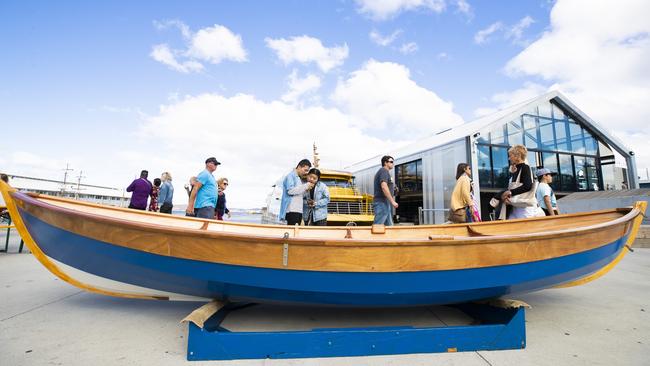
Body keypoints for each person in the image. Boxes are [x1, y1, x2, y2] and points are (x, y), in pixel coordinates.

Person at [499, 145, 544, 219]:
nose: (509, 158)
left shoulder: (525, 168)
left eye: (510, 156)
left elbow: (527, 186)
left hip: (525, 208)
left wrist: (510, 192)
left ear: (517, 156)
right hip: (517, 206)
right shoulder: (517, 169)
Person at [279, 159, 313, 225]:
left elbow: (299, 194)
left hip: (298, 210)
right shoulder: (290, 176)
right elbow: (290, 191)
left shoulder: (298, 178)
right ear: (299, 167)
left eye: (307, 171)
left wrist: (306, 191)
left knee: (295, 231)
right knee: (292, 232)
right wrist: (306, 186)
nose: (306, 172)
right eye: (305, 170)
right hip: (291, 210)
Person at [373, 155, 398, 226]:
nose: (393, 163)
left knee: (389, 227)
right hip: (381, 203)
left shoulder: (385, 172)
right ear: (385, 163)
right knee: (377, 227)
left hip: (385, 203)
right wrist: (393, 201)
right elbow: (384, 186)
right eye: (391, 162)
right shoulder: (383, 171)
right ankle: (372, 237)